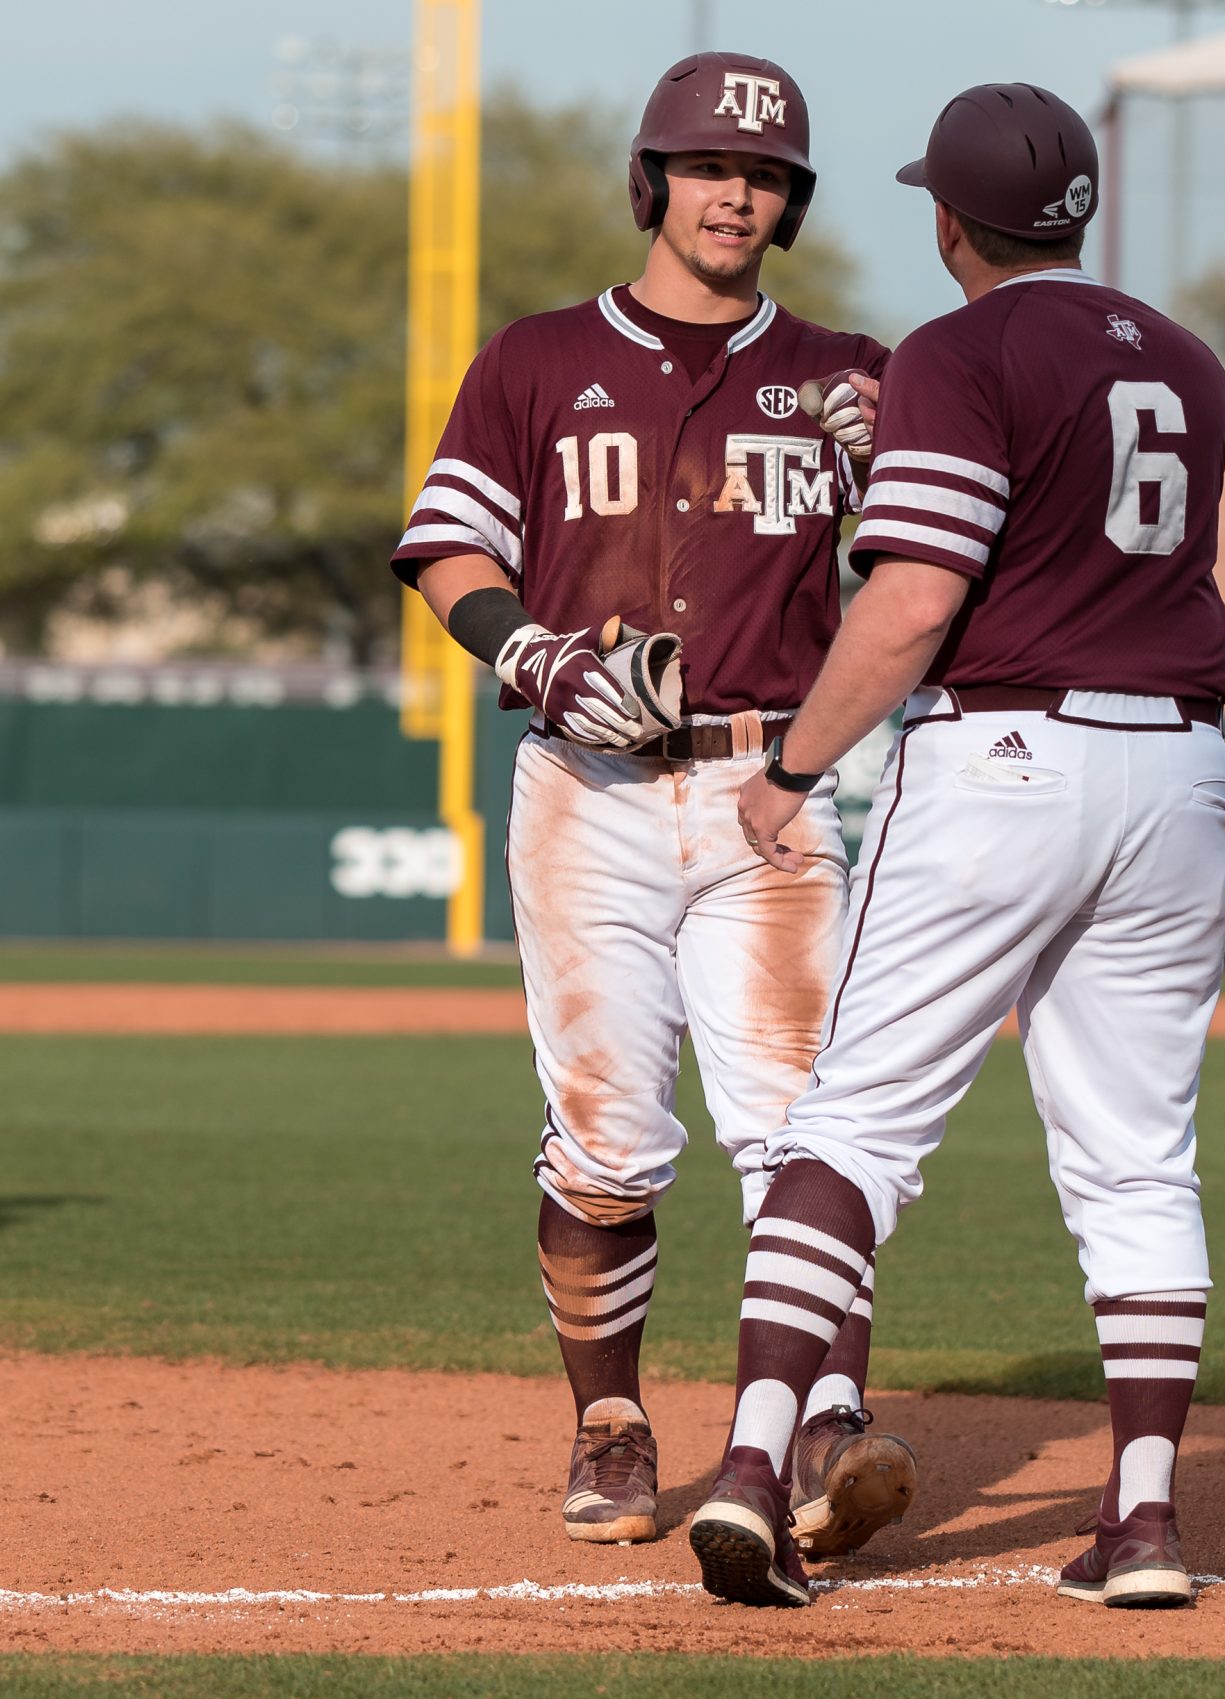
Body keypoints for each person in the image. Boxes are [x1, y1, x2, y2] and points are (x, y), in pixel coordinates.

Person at [703, 81, 1225, 1613]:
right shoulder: (1189, 361)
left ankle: (750, 1463)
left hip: (1009, 753)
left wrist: (793, 764)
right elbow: (1088, 539)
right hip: (1182, 768)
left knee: (853, 1122)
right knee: (1141, 1156)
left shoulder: (957, 346)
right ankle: (1143, 1519)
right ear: (1079, 208)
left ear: (947, 218)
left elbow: (917, 600)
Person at [390, 52, 916, 1564]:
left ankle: (825, 1416)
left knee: (808, 1125)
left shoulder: (846, 372)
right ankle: (612, 1420)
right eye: (706, 167)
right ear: (653, 183)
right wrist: (533, 649)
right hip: (589, 793)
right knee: (609, 1143)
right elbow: (446, 547)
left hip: (771, 785)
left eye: (764, 176)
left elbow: (924, 572)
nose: (735, 192)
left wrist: (891, 457)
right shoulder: (541, 358)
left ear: (791, 204)